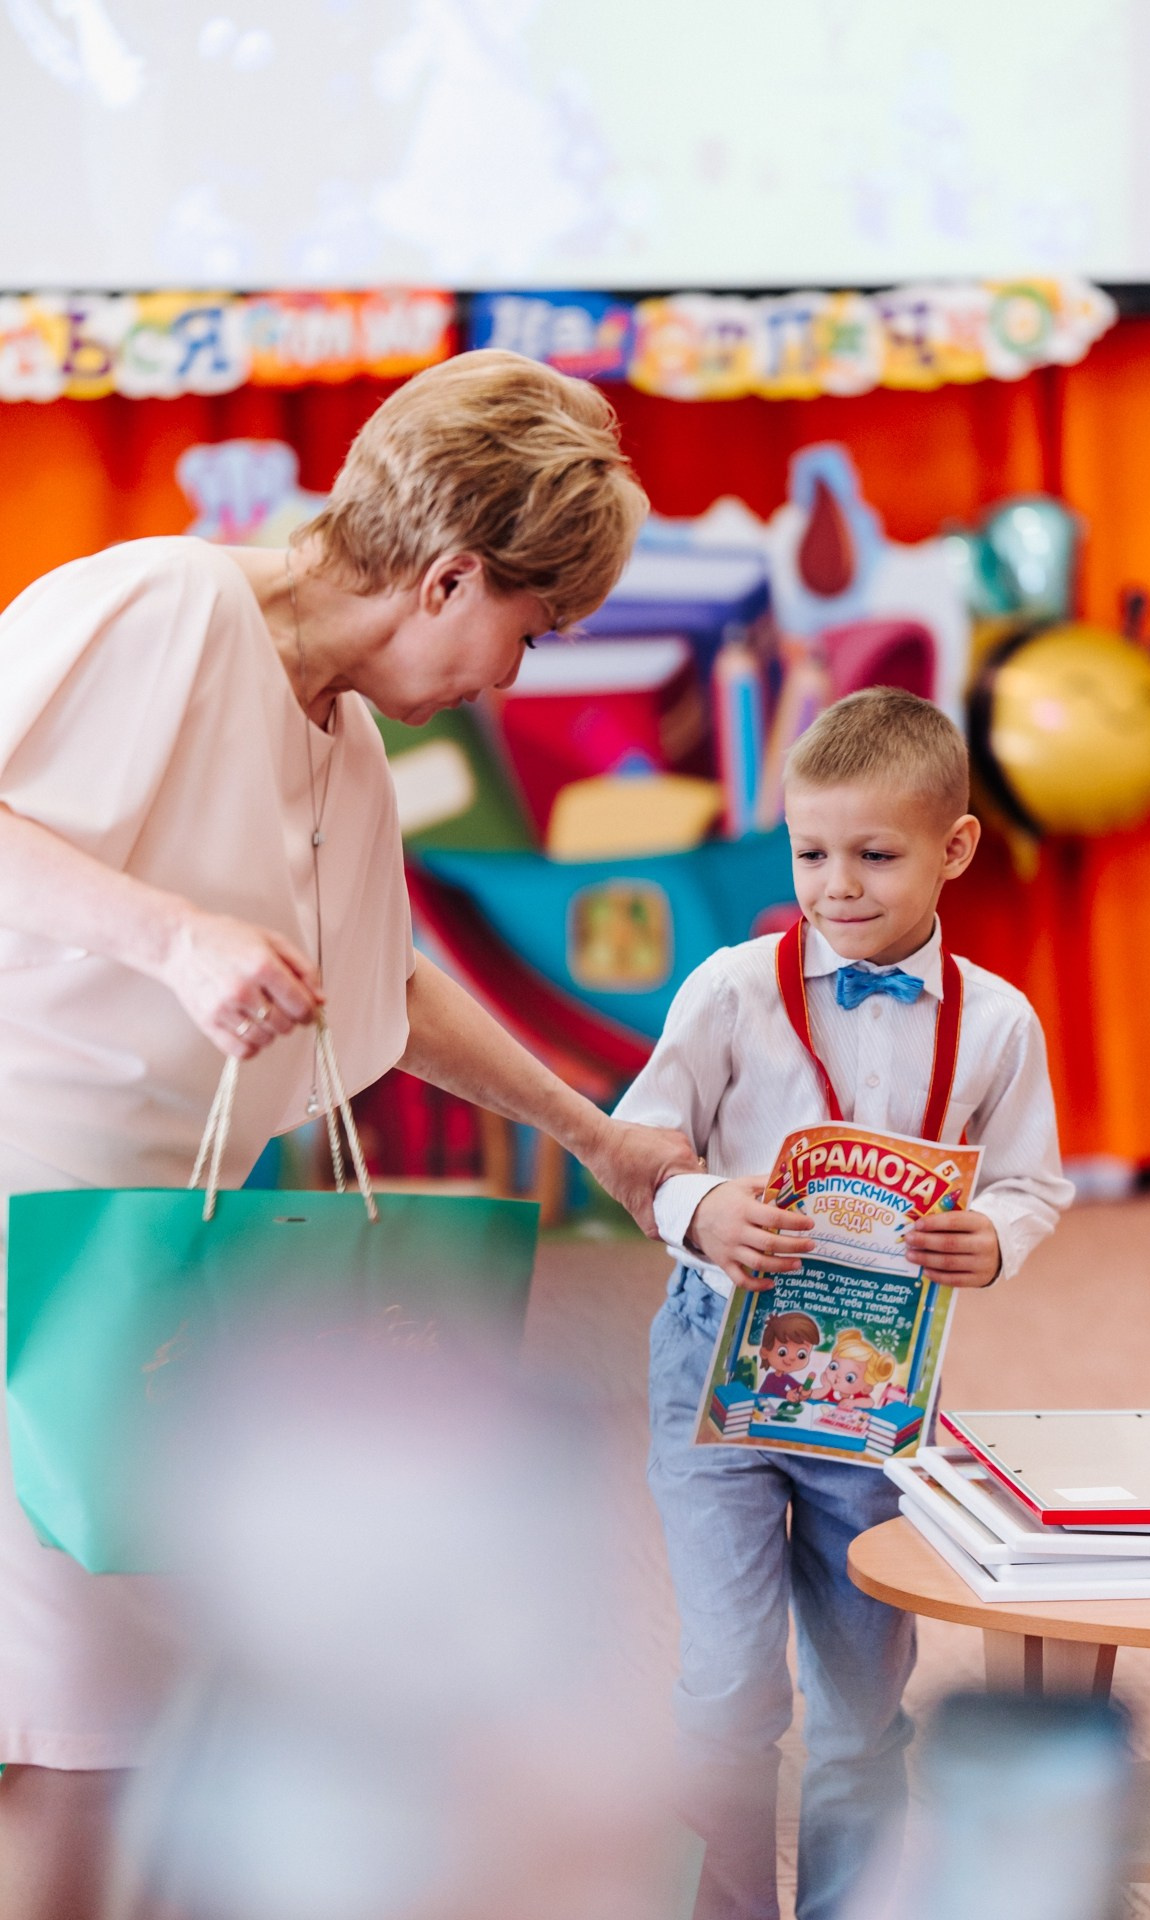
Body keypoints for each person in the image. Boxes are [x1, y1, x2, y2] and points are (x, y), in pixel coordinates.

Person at [0, 349, 696, 1920]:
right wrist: (174, 938)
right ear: (452, 573)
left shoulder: (347, 747)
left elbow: (383, 986)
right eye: (533, 629)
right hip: (24, 1230)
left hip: (147, 1253)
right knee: (79, 1718)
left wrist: (596, 1138)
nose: (517, 678)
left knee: (144, 1699)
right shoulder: (165, 612)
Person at [615, 687, 1074, 1920]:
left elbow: (1034, 1182)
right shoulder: (727, 989)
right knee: (724, 1690)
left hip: (877, 1396)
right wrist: (698, 1203)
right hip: (713, 1371)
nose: (836, 886)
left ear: (954, 849)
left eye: (874, 855)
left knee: (863, 1700)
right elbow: (638, 1141)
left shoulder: (998, 1023)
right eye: (810, 852)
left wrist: (997, 1238)